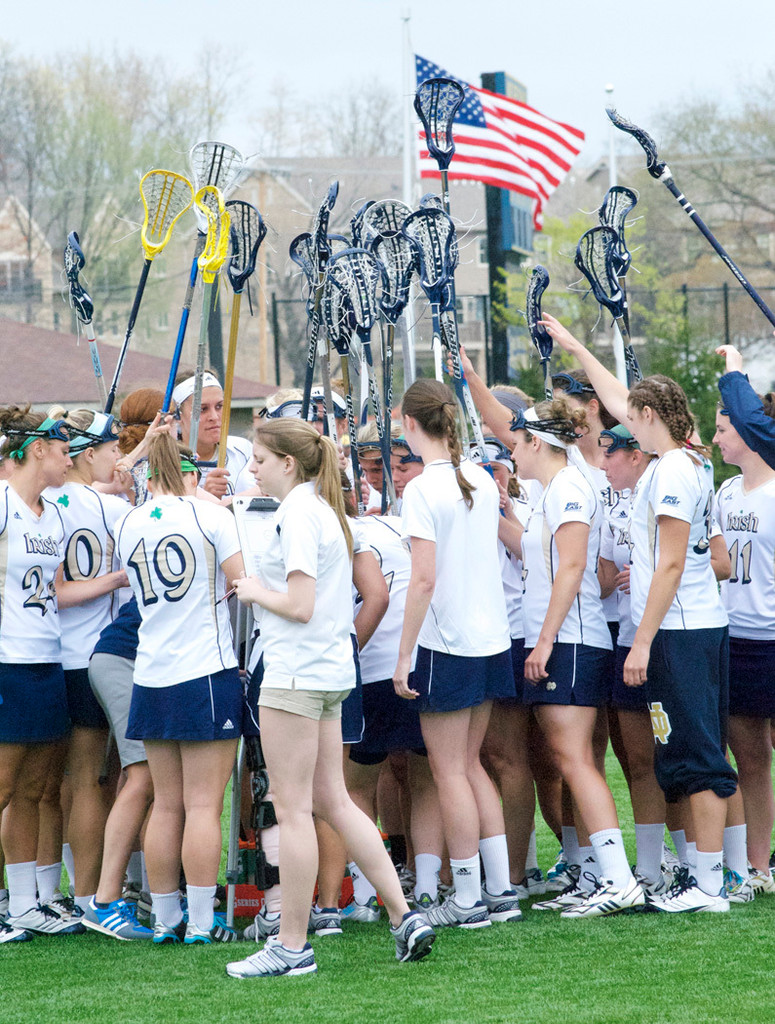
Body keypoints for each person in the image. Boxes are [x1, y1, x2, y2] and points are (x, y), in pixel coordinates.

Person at [227, 418, 434, 979]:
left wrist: (251, 591)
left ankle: (291, 946)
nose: (253, 467)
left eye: (262, 460)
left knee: (294, 810)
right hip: (327, 671)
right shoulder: (319, 510)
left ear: (289, 463)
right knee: (335, 802)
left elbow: (298, 604)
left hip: (296, 674)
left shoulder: (298, 514)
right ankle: (404, 917)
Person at [501, 402, 642, 918]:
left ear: (538, 442)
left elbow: (574, 567)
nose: (513, 452)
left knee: (576, 761)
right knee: (571, 760)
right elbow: (536, 555)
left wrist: (544, 642)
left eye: (518, 443)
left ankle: (618, 880)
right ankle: (597, 878)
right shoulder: (550, 494)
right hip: (563, 640)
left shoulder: (569, 489)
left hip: (573, 643)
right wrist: (499, 513)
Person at [394, 379, 520, 929]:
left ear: (411, 425)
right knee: (468, 767)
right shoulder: (480, 480)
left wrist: (402, 659)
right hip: (489, 639)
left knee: (450, 771)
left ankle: (469, 899)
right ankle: (499, 891)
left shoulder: (423, 489)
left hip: (448, 645)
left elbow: (422, 581)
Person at [116, 434, 246, 944]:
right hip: (204, 672)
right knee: (202, 806)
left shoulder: (128, 523)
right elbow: (242, 582)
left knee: (166, 804)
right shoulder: (211, 517)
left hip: (150, 672)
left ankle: (164, 917)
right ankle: (196, 920)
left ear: (150, 478)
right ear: (191, 474)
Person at [43, 408, 130, 917]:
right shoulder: (107, 509)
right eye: (112, 448)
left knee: (51, 785)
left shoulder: (38, 500)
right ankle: (87, 894)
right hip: (92, 654)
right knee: (89, 779)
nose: (118, 457)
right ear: (87, 453)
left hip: (45, 655)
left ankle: (43, 893)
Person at [0, 409, 79, 941]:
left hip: (46, 659)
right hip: (6, 662)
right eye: (60, 446)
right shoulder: (3, 503)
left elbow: (49, 591)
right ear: (33, 449)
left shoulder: (53, 515)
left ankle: (25, 905)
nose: (67, 456)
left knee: (32, 788)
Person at [714, 395, 775, 895]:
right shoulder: (727, 491)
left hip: (774, 640)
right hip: (735, 640)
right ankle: (758, 868)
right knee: (749, 758)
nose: (715, 440)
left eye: (723, 430)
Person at [172, 369, 255, 498]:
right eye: (202, 409)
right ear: (178, 415)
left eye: (219, 406)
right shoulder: (167, 461)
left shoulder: (243, 451)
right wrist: (205, 497)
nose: (214, 417)